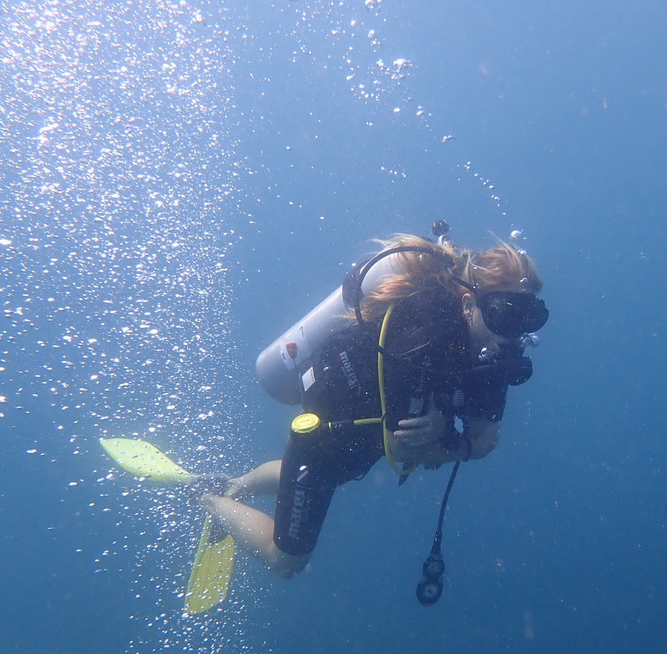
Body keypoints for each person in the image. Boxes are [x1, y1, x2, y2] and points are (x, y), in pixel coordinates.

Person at [198, 233, 548, 579]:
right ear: (470, 304)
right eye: (506, 315)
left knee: (323, 474)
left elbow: (481, 435)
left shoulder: (493, 350)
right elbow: (401, 448)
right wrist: (460, 442)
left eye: (531, 317)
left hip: (360, 433)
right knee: (287, 561)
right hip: (331, 416)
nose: (515, 333)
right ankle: (207, 498)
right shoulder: (425, 333)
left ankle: (232, 486)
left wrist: (457, 437)